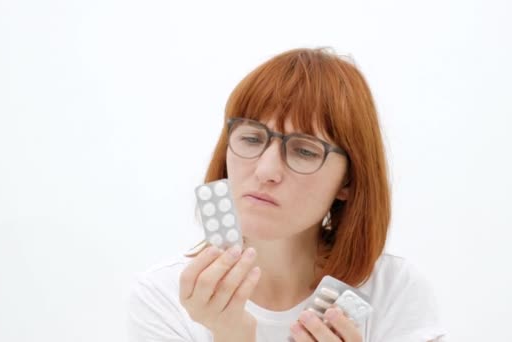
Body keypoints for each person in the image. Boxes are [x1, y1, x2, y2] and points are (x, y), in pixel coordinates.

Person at [126, 47, 446, 342]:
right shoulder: (163, 296)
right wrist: (230, 335)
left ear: (348, 181)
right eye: (251, 139)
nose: (266, 170)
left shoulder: (393, 291)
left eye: (304, 151)